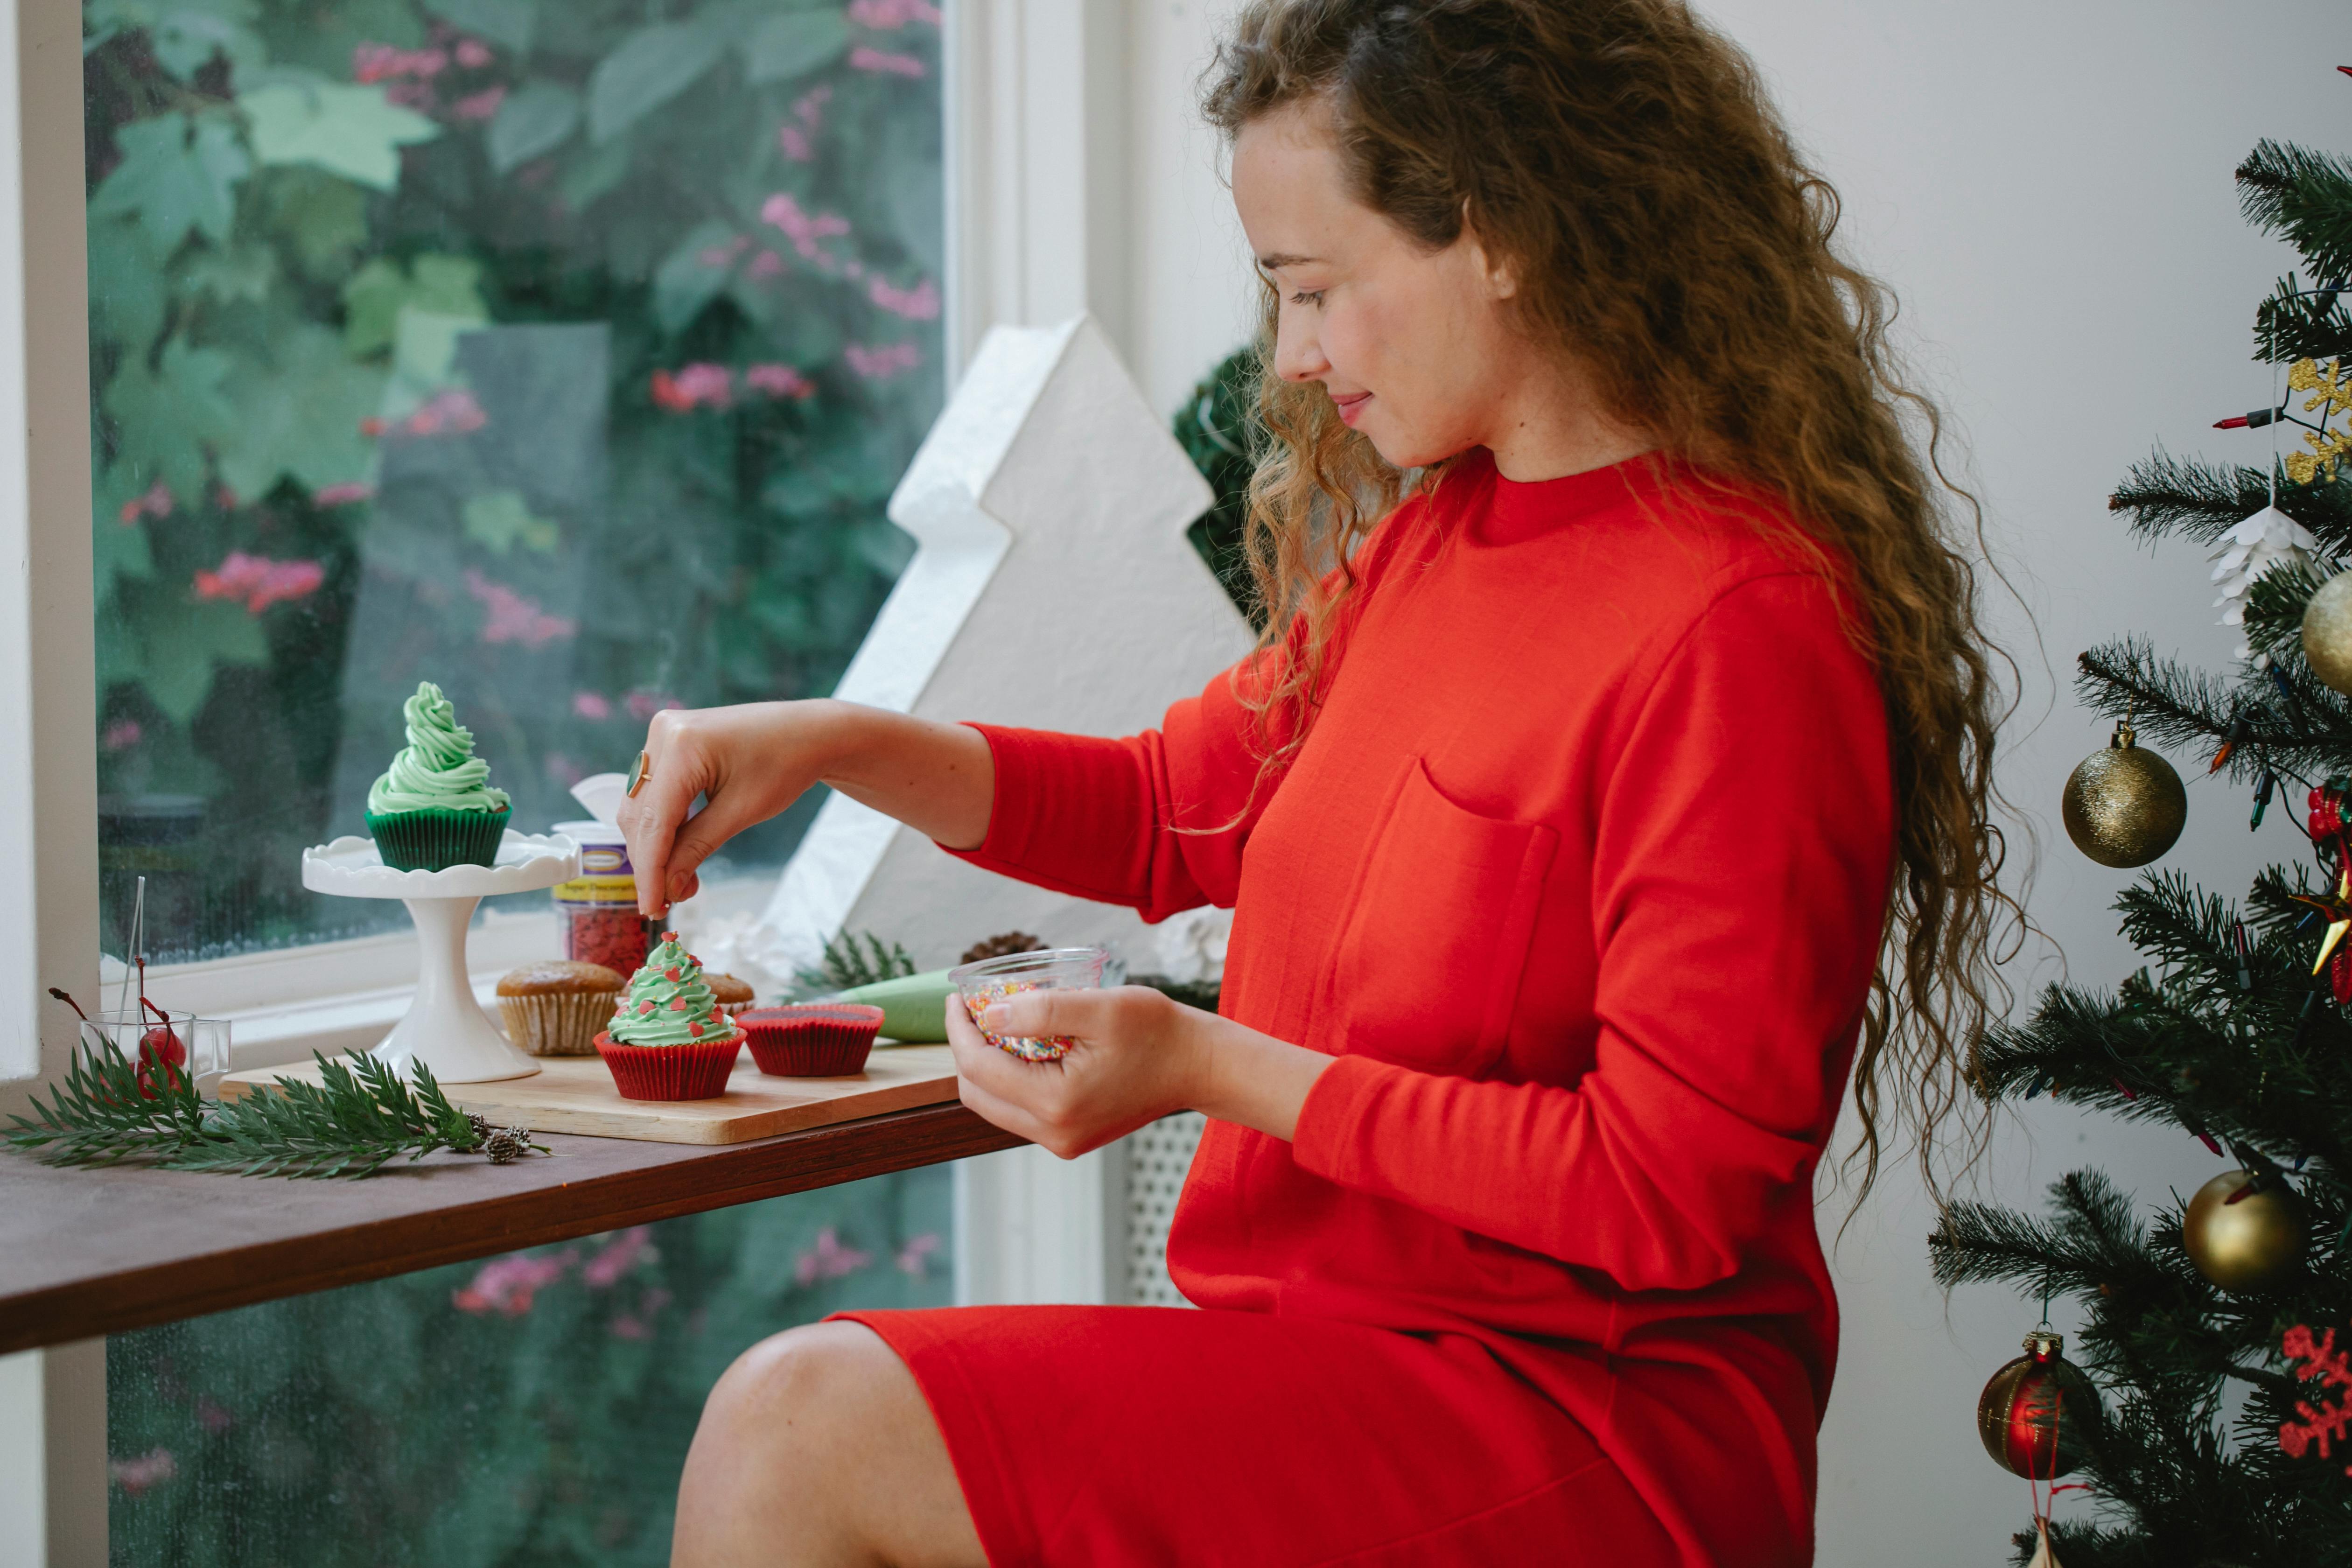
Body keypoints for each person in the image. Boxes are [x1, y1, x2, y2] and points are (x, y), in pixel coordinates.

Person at [629, 0, 2012, 1561]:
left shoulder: (1746, 628)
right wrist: (829, 744)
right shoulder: (1430, 545)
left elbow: (1663, 1196)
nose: (1291, 352)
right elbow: (1173, 809)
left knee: (797, 1431)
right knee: (798, 1423)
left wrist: (1209, 1071)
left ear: (1497, 232)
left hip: (1588, 1428)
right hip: (1330, 1356)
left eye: (1317, 288)